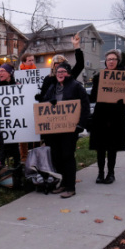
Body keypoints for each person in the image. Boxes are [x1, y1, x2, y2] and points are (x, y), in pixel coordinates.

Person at [43, 62, 90, 198]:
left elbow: (85, 105)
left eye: (63, 71)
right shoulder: (53, 87)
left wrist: (80, 125)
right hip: (54, 130)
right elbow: (44, 103)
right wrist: (49, 101)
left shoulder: (76, 86)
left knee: (67, 156)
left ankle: (70, 187)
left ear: (68, 73)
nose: (60, 74)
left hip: (70, 130)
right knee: (57, 157)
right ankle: (63, 183)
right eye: (58, 72)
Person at [89, 49, 125, 184]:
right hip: (101, 115)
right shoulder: (98, 77)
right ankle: (100, 173)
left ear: (118, 61)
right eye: (108, 59)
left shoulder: (124, 77)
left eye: (113, 59)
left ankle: (111, 173)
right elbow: (93, 97)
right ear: (105, 62)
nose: (111, 61)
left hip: (116, 116)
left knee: (112, 147)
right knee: (100, 147)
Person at [37, 33, 84, 102]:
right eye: (57, 64)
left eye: (61, 64)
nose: (59, 66)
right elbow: (44, 96)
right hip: (53, 109)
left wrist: (76, 46)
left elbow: (80, 64)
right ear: (53, 65)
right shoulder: (48, 79)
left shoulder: (69, 76)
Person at [0, 63, 21, 168]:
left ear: (9, 73)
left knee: (14, 150)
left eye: (2, 71)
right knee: (1, 151)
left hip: (13, 124)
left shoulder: (17, 85)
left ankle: (16, 173)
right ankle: (1, 173)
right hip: (0, 124)